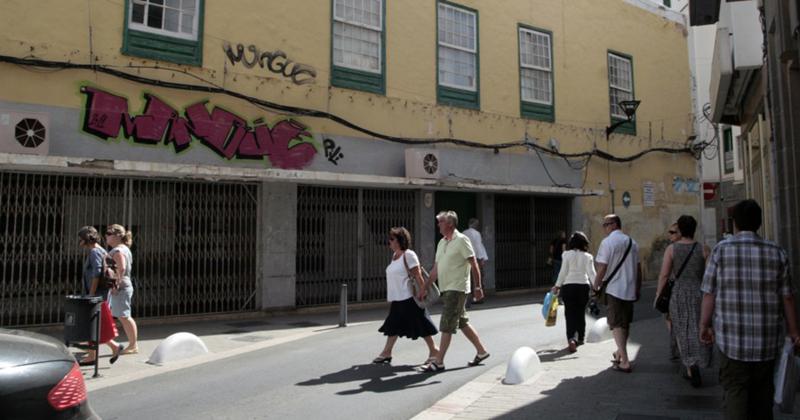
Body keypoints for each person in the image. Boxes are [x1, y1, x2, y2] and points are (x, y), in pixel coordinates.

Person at [700, 200, 800, 419]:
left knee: (735, 392)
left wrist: (704, 325)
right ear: (759, 223)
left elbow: (709, 293)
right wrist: (794, 332)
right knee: (763, 395)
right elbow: (788, 297)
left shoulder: (720, 251)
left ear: (734, 223)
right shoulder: (777, 252)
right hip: (767, 342)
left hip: (732, 342)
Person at [421, 210, 489, 372]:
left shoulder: (462, 240)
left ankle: (439, 361)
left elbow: (474, 264)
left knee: (446, 323)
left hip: (457, 288)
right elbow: (436, 269)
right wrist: (425, 286)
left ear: (450, 224)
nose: (438, 225)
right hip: (446, 288)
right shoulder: (442, 243)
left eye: (441, 222)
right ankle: (482, 351)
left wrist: (478, 287)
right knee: (462, 322)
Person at [656, 215, 711, 387]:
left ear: (680, 229)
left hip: (678, 293)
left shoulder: (671, 249)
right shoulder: (704, 249)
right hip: (699, 293)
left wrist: (659, 294)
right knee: (698, 327)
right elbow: (709, 275)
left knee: (681, 329)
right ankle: (699, 359)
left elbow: (664, 275)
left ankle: (689, 364)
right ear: (694, 229)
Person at [373, 227, 439, 365]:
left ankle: (434, 350)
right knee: (393, 324)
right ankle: (387, 352)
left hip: (409, 297)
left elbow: (417, 274)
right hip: (398, 298)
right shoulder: (395, 256)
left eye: (392, 239)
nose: (389, 242)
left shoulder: (409, 255)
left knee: (421, 323)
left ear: (400, 241)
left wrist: (422, 291)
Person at [593, 214, 641, 373]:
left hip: (614, 289)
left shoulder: (607, 243)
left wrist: (595, 285)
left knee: (615, 324)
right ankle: (620, 353)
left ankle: (625, 362)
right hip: (630, 288)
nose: (604, 228)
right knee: (625, 323)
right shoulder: (632, 243)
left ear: (614, 225)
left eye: (606, 224)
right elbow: (638, 268)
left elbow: (602, 267)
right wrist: (637, 288)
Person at [77, 226, 123, 366]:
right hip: (101, 294)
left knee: (92, 324)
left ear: (86, 239)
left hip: (97, 295)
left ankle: (93, 355)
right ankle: (113, 347)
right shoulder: (101, 250)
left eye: (80, 239)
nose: (79, 242)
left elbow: (97, 273)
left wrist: (91, 294)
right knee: (96, 324)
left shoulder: (94, 252)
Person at [550, 231, 595, 353]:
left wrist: (557, 286)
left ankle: (571, 339)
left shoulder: (566, 255)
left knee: (569, 313)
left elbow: (563, 272)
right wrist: (597, 287)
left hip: (568, 286)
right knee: (581, 313)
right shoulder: (588, 256)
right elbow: (592, 274)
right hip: (583, 287)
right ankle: (580, 337)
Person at [106, 224, 139, 354]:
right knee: (123, 316)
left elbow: (122, 267)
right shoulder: (123, 248)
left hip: (121, 286)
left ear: (117, 236)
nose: (106, 236)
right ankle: (132, 344)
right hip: (124, 285)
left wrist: (115, 285)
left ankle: (133, 345)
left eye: (109, 234)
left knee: (124, 316)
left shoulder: (118, 250)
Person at [462, 218, 488, 304]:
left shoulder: (464, 233)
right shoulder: (477, 234)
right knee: (478, 278)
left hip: (466, 259)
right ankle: (479, 297)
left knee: (468, 279)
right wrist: (481, 258)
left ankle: (468, 299)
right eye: (477, 224)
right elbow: (478, 246)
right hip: (475, 258)